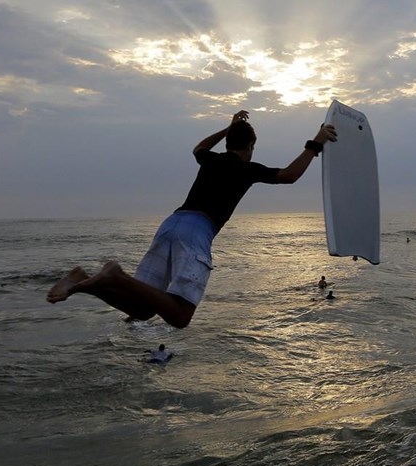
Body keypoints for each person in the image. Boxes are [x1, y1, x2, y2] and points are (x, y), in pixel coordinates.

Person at [46, 110, 337, 329]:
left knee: (143, 309)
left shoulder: (211, 160)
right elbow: (289, 175)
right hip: (196, 231)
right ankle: (116, 275)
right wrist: (316, 144)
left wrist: (227, 126)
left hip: (171, 224)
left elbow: (198, 148)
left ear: (228, 142)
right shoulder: (245, 168)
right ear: (250, 146)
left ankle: (84, 281)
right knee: (181, 316)